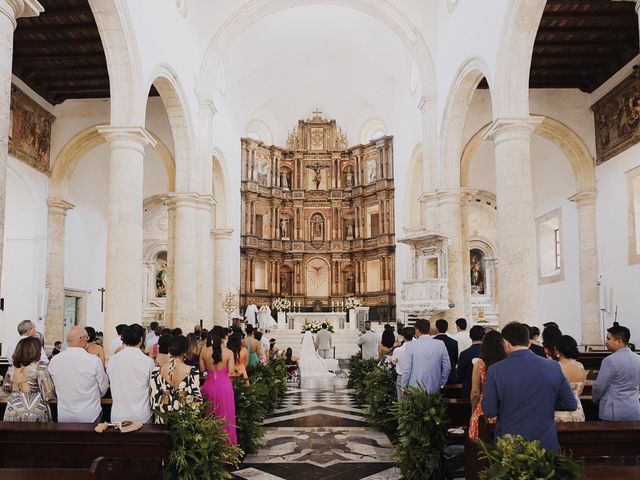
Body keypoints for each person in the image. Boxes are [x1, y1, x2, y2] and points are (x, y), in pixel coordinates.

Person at [482, 322, 577, 452]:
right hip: (544, 441)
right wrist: (543, 404)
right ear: (529, 342)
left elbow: (489, 411)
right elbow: (570, 403)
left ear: (505, 343)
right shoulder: (553, 366)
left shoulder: (495, 370)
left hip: (510, 442)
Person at [48, 326, 109, 423]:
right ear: (82, 338)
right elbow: (104, 387)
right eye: (87, 338)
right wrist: (94, 396)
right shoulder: (93, 361)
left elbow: (52, 388)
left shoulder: (54, 361)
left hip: (65, 414)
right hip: (90, 413)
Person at [107, 323, 155, 423]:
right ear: (141, 339)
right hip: (141, 415)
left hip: (118, 415)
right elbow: (152, 387)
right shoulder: (148, 362)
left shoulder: (113, 360)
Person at [592, 325, 640, 421]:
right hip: (633, 408)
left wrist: (595, 399)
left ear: (619, 341)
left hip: (614, 411)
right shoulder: (638, 359)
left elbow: (599, 386)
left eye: (609, 338)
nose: (606, 342)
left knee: (612, 436)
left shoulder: (610, 360)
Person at [2, 337, 55, 421]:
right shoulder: (40, 367)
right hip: (35, 411)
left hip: (13, 409)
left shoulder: (12, 368)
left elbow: (6, 389)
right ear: (35, 350)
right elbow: (48, 394)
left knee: (12, 434)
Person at [150, 335, 202, 424]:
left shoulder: (156, 371)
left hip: (163, 415)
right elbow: (196, 400)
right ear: (185, 351)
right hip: (184, 419)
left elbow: (154, 399)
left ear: (170, 350)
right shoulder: (192, 371)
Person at [200, 328, 237, 445]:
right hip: (224, 386)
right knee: (226, 416)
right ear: (224, 338)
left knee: (210, 416)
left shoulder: (204, 352)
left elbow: (202, 370)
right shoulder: (228, 352)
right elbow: (231, 370)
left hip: (209, 385)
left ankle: (211, 447)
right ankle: (227, 448)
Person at [468, 330, 506, 441]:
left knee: (481, 443)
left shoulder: (480, 364)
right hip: (504, 406)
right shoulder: (507, 362)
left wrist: (473, 410)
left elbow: (475, 392)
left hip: (485, 407)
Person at [401, 319, 451, 395]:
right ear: (429, 329)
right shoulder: (440, 344)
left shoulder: (411, 345)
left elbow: (407, 370)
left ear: (417, 330)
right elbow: (447, 367)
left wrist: (403, 386)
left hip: (415, 388)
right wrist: (441, 382)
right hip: (435, 386)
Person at [553, 335, 586, 423]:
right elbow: (580, 392)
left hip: (559, 413)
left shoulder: (554, 367)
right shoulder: (580, 366)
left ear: (557, 349)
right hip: (577, 411)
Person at [457, 325, 485, 398]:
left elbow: (460, 375)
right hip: (485, 391)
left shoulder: (464, 354)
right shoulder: (488, 352)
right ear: (483, 336)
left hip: (468, 390)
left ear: (470, 336)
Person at [391, 326, 414, 400]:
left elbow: (393, 361)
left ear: (403, 337)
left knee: (402, 401)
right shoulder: (418, 348)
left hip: (401, 376)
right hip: (414, 376)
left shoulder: (398, 350)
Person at [433, 319, 458, 384]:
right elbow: (455, 359)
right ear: (447, 328)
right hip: (451, 374)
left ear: (436, 328)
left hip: (435, 372)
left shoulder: (432, 342)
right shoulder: (454, 342)